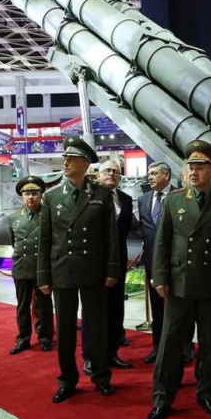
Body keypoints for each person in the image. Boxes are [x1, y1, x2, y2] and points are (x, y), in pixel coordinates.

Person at [147, 140, 211, 419]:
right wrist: (160, 276)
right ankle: (162, 398)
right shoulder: (174, 200)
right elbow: (162, 242)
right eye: (191, 166)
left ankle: (206, 392)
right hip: (179, 284)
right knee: (170, 344)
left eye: (200, 167)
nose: (193, 171)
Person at [38, 135, 119, 403]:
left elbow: (110, 237)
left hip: (93, 270)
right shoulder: (51, 197)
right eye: (65, 158)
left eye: (71, 159)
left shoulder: (101, 194)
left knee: (96, 327)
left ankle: (101, 376)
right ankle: (67, 380)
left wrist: (111, 270)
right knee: (65, 330)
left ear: (85, 164)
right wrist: (43, 275)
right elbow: (45, 239)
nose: (65, 163)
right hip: (63, 270)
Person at [138, 161, 196, 367]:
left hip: (177, 262)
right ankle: (158, 347)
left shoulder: (181, 196)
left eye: (154, 173)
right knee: (157, 307)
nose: (150, 177)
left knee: (182, 307)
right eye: (149, 174)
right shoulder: (143, 200)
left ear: (167, 176)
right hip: (153, 263)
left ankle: (186, 346)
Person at [81, 160, 133, 375]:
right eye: (107, 171)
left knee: (115, 309)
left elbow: (125, 231)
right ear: (99, 175)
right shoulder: (88, 197)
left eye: (116, 172)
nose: (112, 174)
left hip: (118, 262)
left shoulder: (126, 199)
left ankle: (112, 353)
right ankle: (91, 357)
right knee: (93, 311)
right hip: (94, 263)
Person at [7, 176, 54, 355]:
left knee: (44, 305)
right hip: (21, 266)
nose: (30, 197)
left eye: (34, 193)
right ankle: (23, 339)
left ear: (41, 195)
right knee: (22, 306)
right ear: (22, 196)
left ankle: (45, 337)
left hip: (41, 268)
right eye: (27, 194)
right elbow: (14, 242)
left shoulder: (48, 215)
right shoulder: (13, 218)